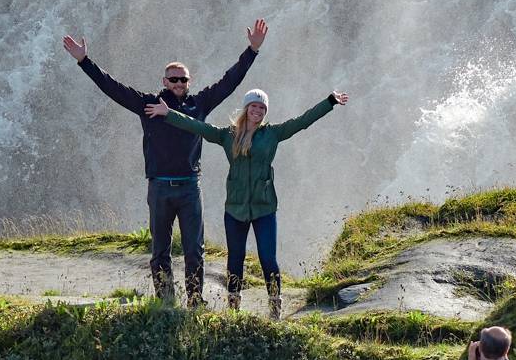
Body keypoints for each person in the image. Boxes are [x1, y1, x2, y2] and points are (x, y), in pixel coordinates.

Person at [62, 20, 267, 306]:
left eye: (183, 79)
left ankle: (195, 302)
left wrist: (252, 50)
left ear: (189, 81)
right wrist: (84, 61)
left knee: (195, 250)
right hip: (159, 187)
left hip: (189, 187)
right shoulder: (148, 104)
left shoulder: (200, 104)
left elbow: (229, 81)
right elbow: (113, 88)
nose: (179, 84)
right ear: (164, 81)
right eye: (173, 79)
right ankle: (166, 302)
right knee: (160, 250)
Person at [144, 87, 348, 319]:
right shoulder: (228, 135)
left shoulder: (273, 133)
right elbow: (198, 126)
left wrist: (329, 102)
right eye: (254, 106)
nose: (257, 111)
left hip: (264, 207)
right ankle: (234, 307)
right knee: (235, 258)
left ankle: (274, 305)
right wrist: (168, 113)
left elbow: (302, 121)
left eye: (262, 108)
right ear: (246, 108)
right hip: (235, 208)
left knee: (268, 258)